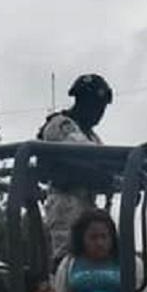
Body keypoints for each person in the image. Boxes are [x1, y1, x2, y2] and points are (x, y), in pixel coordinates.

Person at [37, 73, 113, 262]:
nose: (98, 113)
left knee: (93, 257)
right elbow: (86, 153)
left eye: (101, 108)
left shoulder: (91, 135)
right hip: (66, 201)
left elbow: (106, 160)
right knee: (66, 259)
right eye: (95, 106)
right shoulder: (60, 125)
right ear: (81, 102)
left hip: (87, 202)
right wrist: (106, 171)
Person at [53, 208, 147, 292]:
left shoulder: (132, 263)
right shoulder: (68, 265)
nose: (99, 243)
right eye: (93, 237)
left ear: (112, 237)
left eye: (104, 237)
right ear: (82, 239)